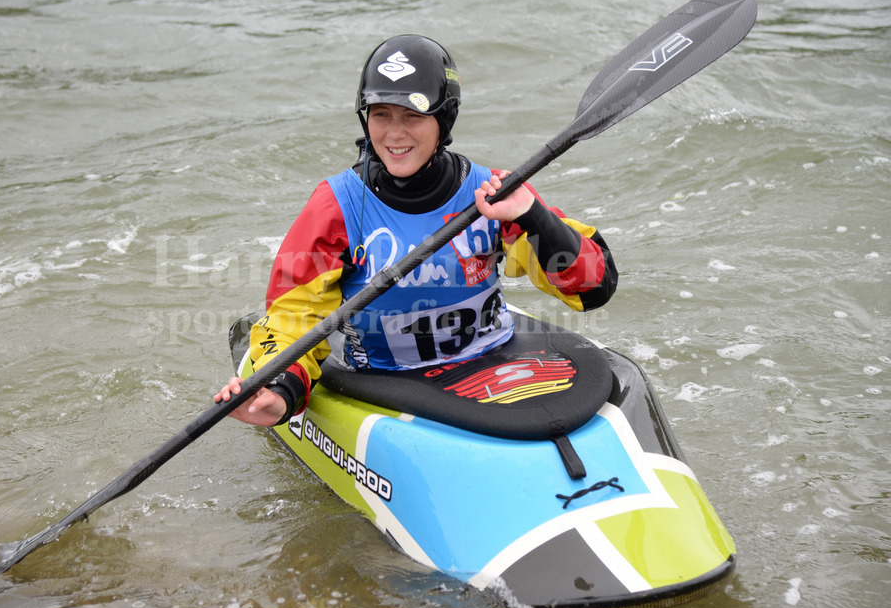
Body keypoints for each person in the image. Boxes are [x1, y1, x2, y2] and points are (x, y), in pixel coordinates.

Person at [214, 34, 617, 427]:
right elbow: (292, 318)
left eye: (413, 115)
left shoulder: (492, 194)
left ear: (444, 119)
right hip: (389, 382)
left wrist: (533, 214)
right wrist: (280, 390)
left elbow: (593, 287)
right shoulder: (337, 206)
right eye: (381, 114)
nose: (394, 133)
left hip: (493, 359)